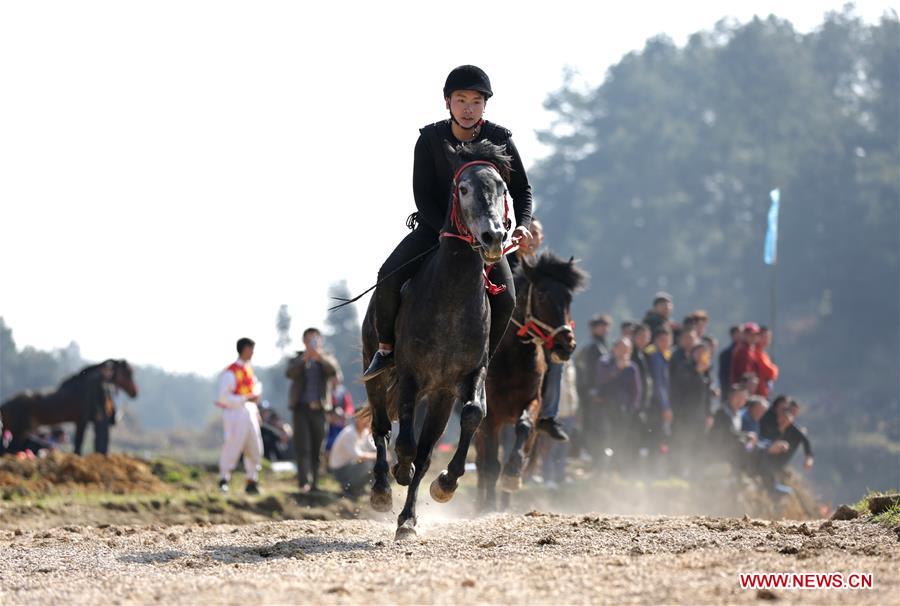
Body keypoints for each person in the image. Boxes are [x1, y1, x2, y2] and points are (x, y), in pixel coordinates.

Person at [363, 64, 533, 381]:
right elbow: (422, 194)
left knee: (508, 297)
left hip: (486, 235)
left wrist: (522, 224)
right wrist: (444, 230)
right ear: (447, 102)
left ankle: (481, 365)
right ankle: (386, 348)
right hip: (436, 229)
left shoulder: (500, 139)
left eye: (476, 102)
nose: (468, 109)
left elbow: (522, 189)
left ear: (485, 105)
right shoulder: (429, 139)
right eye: (461, 100)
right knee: (387, 273)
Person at [286, 327, 341, 492]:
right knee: (302, 446)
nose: (312, 343)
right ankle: (303, 482)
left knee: (318, 447)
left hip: (320, 410)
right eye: (309, 340)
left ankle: (315, 482)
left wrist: (319, 357)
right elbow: (289, 373)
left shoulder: (327, 358)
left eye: (315, 339)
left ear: (320, 341)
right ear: (304, 341)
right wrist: (305, 359)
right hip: (301, 409)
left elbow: (333, 371)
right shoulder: (297, 358)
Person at [215, 337, 264, 494]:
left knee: (254, 446)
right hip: (235, 413)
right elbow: (224, 398)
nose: (252, 353)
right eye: (250, 349)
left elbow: (254, 391)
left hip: (249, 412)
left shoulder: (249, 370)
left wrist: (255, 408)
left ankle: (252, 480)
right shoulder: (230, 372)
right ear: (243, 349)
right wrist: (245, 398)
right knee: (232, 445)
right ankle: (224, 479)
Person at [593, 338, 641, 470]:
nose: (624, 352)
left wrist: (632, 409)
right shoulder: (605, 362)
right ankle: (601, 469)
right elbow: (601, 380)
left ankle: (619, 469)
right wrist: (616, 369)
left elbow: (636, 390)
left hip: (624, 410)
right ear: (614, 348)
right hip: (605, 407)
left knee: (622, 439)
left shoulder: (632, 367)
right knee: (605, 438)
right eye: (621, 349)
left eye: (627, 350)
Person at [669, 342, 714, 475]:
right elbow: (682, 385)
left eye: (704, 353)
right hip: (684, 413)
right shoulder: (684, 366)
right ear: (692, 354)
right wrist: (697, 372)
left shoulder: (706, 371)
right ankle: (676, 473)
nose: (701, 356)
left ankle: (696, 474)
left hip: (700, 415)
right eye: (699, 352)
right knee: (681, 443)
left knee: (698, 445)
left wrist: (709, 414)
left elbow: (707, 395)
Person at [541, 361, 579, 489]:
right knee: (550, 449)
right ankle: (548, 478)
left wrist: (574, 409)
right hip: (554, 415)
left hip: (569, 413)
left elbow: (572, 388)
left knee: (563, 449)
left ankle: (560, 477)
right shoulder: (551, 364)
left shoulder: (570, 365)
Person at [328, 407, 377, 497]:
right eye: (365, 417)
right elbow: (358, 456)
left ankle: (361, 488)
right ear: (357, 418)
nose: (368, 420)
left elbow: (373, 448)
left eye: (369, 417)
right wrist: (377, 456)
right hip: (340, 470)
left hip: (351, 466)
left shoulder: (364, 432)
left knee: (379, 462)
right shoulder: (350, 433)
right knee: (368, 464)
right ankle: (349, 488)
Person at [717, 326, 740, 401]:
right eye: (738, 334)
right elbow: (723, 376)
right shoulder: (726, 353)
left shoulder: (747, 352)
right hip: (729, 389)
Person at [755, 326, 779, 397]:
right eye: (764, 337)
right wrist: (774, 368)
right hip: (758, 391)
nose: (767, 340)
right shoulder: (756, 352)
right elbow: (770, 372)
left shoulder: (763, 353)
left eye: (769, 338)